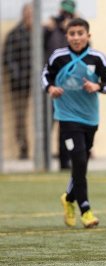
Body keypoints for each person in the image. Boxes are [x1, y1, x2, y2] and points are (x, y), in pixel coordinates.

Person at [41, 18, 106, 228]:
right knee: (80, 161)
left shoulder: (97, 58)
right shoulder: (58, 57)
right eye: (72, 33)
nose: (76, 37)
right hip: (66, 117)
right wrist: (50, 89)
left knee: (81, 163)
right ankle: (86, 210)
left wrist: (97, 86)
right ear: (67, 36)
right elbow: (45, 77)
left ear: (88, 35)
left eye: (80, 33)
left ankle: (68, 197)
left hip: (90, 119)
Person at [44, 0, 77, 170]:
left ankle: (65, 161)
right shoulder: (50, 29)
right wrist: (48, 29)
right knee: (47, 122)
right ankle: (42, 159)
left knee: (68, 124)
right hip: (53, 83)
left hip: (71, 87)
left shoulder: (76, 32)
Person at [3, 3, 33, 159]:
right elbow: (7, 58)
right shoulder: (14, 34)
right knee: (20, 117)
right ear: (23, 15)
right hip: (20, 83)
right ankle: (23, 148)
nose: (30, 18)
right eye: (28, 14)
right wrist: (19, 75)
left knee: (50, 114)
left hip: (39, 82)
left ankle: (47, 149)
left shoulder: (41, 34)